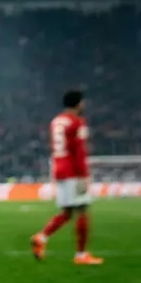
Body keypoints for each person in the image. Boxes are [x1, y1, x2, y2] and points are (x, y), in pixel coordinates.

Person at [31, 90, 102, 265]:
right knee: (83, 209)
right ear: (79, 104)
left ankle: (42, 237)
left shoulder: (56, 121)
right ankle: (81, 255)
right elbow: (79, 150)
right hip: (73, 171)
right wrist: (84, 175)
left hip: (59, 169)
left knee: (68, 211)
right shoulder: (77, 122)